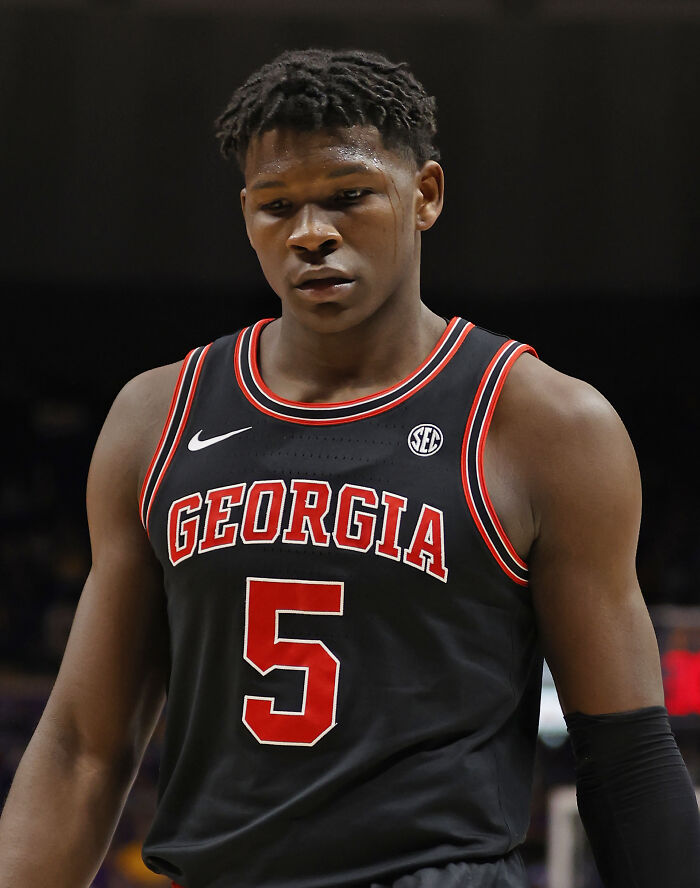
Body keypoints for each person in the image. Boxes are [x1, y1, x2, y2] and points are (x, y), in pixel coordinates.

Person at [0, 47, 698, 888]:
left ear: (426, 196)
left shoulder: (544, 423)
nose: (310, 232)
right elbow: (83, 746)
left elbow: (625, 754)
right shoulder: (158, 417)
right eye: (276, 206)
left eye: (347, 196)